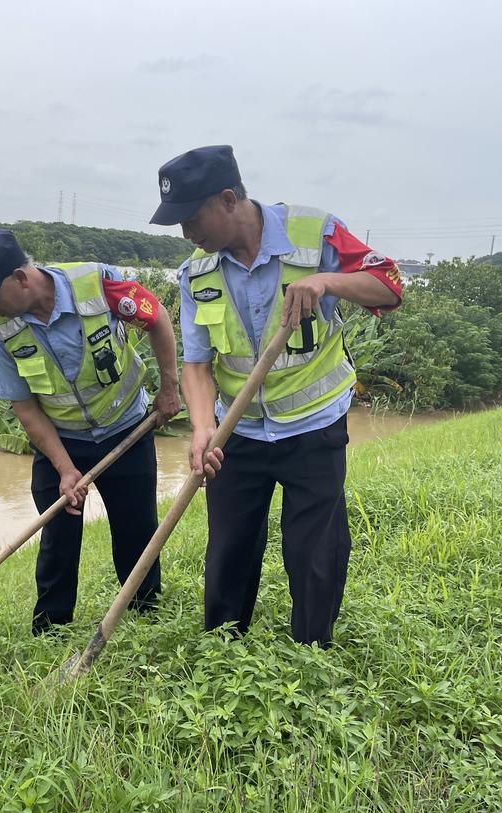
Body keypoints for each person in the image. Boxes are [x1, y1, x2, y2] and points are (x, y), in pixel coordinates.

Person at [148, 145, 403, 646]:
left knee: (314, 551)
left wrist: (328, 281)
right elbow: (197, 365)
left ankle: (313, 649)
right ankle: (224, 648)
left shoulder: (316, 233)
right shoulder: (197, 273)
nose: (186, 234)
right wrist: (203, 430)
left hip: (313, 425)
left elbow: (390, 286)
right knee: (228, 550)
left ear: (227, 199)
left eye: (190, 218)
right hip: (235, 432)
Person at [0, 229, 180, 634]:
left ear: (21, 279)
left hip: (125, 425)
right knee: (56, 535)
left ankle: (146, 616)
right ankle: (51, 628)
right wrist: (63, 469)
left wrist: (169, 388)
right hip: (61, 440)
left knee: (136, 529)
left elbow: (157, 318)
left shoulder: (98, 282)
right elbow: (24, 407)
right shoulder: (0, 329)